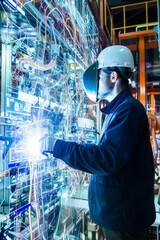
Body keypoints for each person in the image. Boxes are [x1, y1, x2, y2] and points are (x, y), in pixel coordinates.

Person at [41, 45, 156, 240]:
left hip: (123, 220)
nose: (97, 80)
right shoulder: (119, 110)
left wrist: (57, 146)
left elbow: (107, 158)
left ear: (113, 76)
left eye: (100, 74)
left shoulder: (128, 111)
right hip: (118, 215)